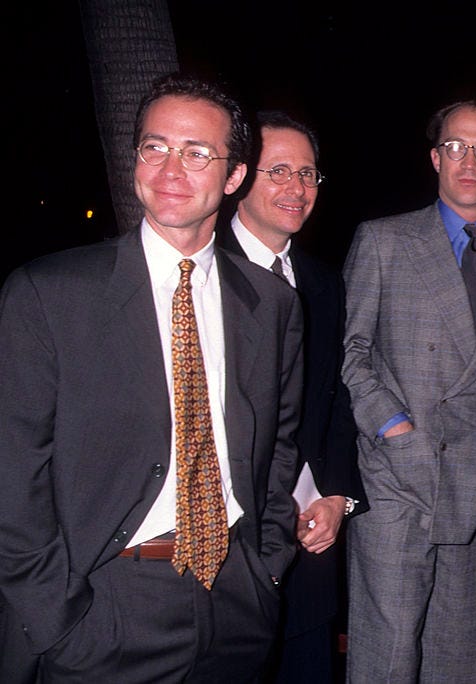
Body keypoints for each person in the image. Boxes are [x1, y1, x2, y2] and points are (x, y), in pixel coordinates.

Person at [0, 72, 303, 682]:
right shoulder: (50, 294)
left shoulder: (271, 303)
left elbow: (279, 447)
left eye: (196, 153)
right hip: (101, 606)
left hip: (236, 600)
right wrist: (56, 616)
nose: (170, 169)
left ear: (234, 176)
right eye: (155, 147)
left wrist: (266, 567)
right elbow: (13, 472)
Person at [341, 99, 476, 683]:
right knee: (386, 660)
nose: (469, 161)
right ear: (436, 158)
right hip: (394, 484)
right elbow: (350, 352)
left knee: (457, 660)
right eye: (456, 146)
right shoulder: (384, 240)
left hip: (475, 488)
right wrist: (394, 430)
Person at [217, 110, 366, 683]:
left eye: (307, 174)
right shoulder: (201, 271)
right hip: (226, 550)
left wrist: (337, 496)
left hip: (309, 537)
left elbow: (338, 398)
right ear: (238, 176)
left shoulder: (323, 281)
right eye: (278, 170)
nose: (296, 188)